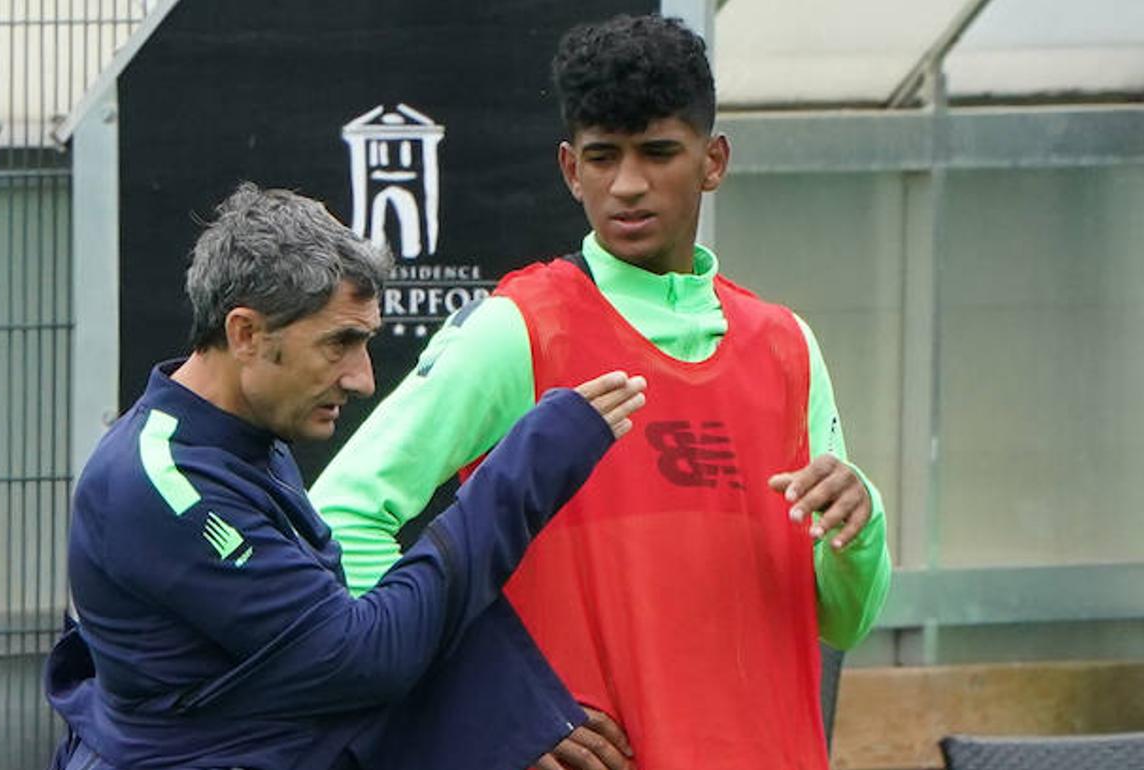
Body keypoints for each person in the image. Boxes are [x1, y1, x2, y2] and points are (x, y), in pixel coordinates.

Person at [311, 14, 892, 770]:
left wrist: (864, 522)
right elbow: (337, 521)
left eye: (657, 153)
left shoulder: (788, 346)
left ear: (712, 160)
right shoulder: (519, 329)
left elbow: (844, 619)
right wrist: (490, 701)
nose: (626, 184)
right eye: (602, 156)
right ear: (568, 168)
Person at [43, 183, 648, 770]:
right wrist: (523, 468)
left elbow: (321, 664)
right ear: (245, 334)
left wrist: (510, 712)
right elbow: (363, 659)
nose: (362, 379)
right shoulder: (163, 483)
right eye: (340, 344)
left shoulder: (245, 441)